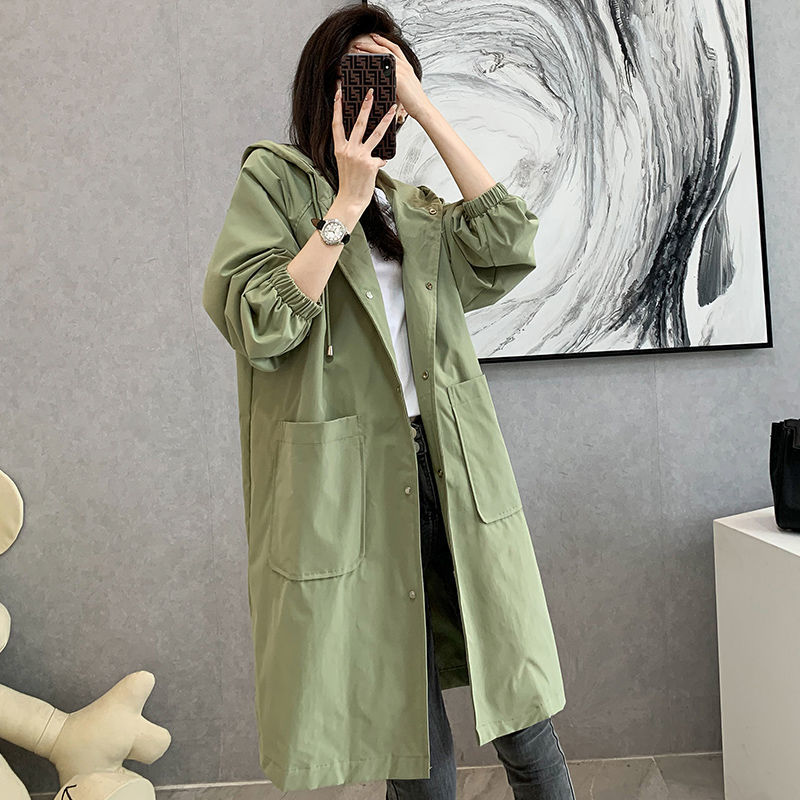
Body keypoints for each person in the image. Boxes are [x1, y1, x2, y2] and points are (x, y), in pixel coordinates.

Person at [202, 4, 574, 798]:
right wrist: (343, 205)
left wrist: (428, 108)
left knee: (525, 714)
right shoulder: (273, 182)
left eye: (392, 77)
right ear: (323, 82)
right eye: (361, 71)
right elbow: (259, 321)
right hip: (356, 483)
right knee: (408, 729)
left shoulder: (414, 208)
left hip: (449, 467)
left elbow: (510, 242)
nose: (378, 92)